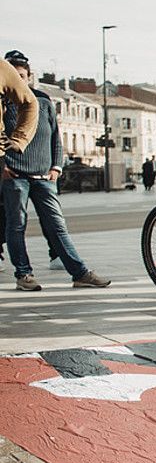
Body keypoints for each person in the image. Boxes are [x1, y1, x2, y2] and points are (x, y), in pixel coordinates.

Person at [2, 52, 109, 292]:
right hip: (14, 174)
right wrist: (3, 167)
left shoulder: (43, 102)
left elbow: (55, 137)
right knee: (17, 224)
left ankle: (80, 273)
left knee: (57, 225)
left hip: (44, 175)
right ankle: (24, 274)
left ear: (29, 77)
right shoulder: (3, 103)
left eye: (21, 76)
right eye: (13, 76)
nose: (17, 80)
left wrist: (56, 167)